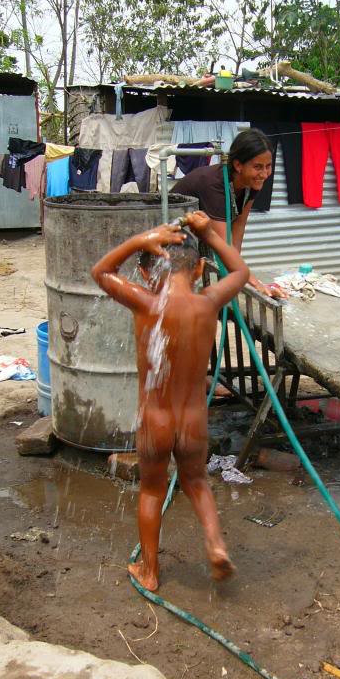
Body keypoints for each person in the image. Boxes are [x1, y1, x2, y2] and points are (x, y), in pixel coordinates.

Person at [91, 211, 250, 591]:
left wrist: (139, 240)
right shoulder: (208, 303)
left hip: (155, 421)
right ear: (198, 272)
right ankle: (214, 546)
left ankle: (150, 571)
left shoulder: (146, 303)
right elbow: (242, 274)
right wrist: (209, 234)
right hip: (194, 420)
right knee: (197, 482)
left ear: (147, 273)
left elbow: (100, 272)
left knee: (151, 490)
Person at [172, 128, 286, 299]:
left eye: (268, 166)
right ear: (238, 165)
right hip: (173, 243)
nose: (264, 174)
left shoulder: (252, 183)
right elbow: (224, 243)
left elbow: (238, 228)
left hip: (194, 243)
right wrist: (254, 283)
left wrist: (237, 273)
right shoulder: (214, 184)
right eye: (257, 167)